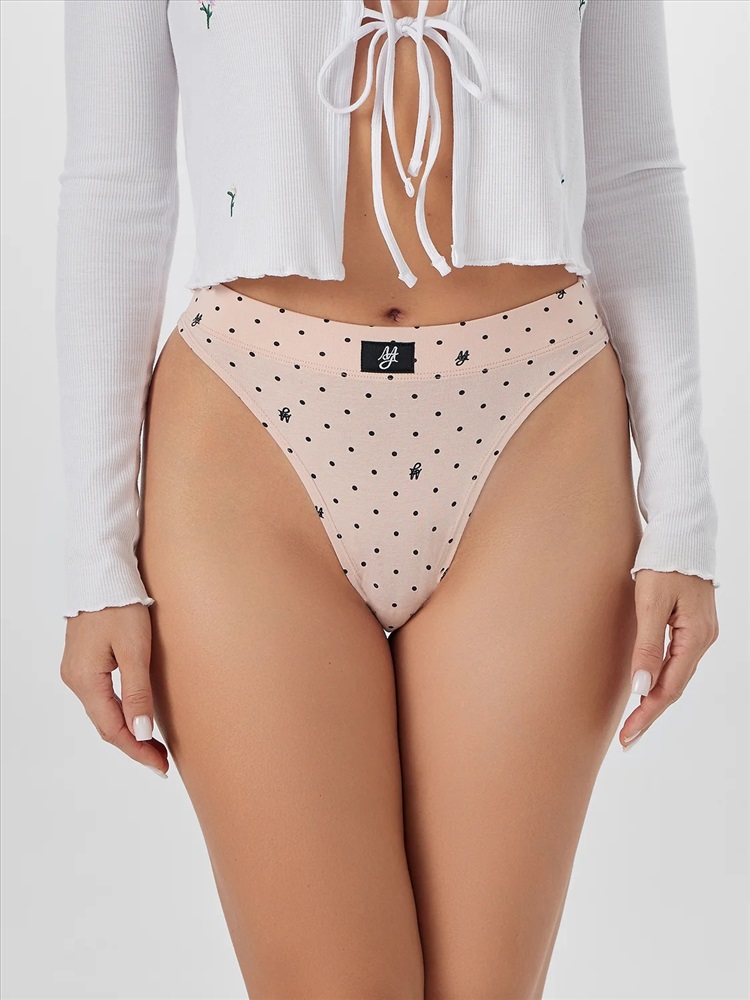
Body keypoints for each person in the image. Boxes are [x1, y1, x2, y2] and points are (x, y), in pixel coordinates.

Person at [55, 1, 720, 996]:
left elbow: (634, 175)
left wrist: (685, 518)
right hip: (250, 439)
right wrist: (93, 557)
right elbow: (117, 187)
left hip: (534, 432)